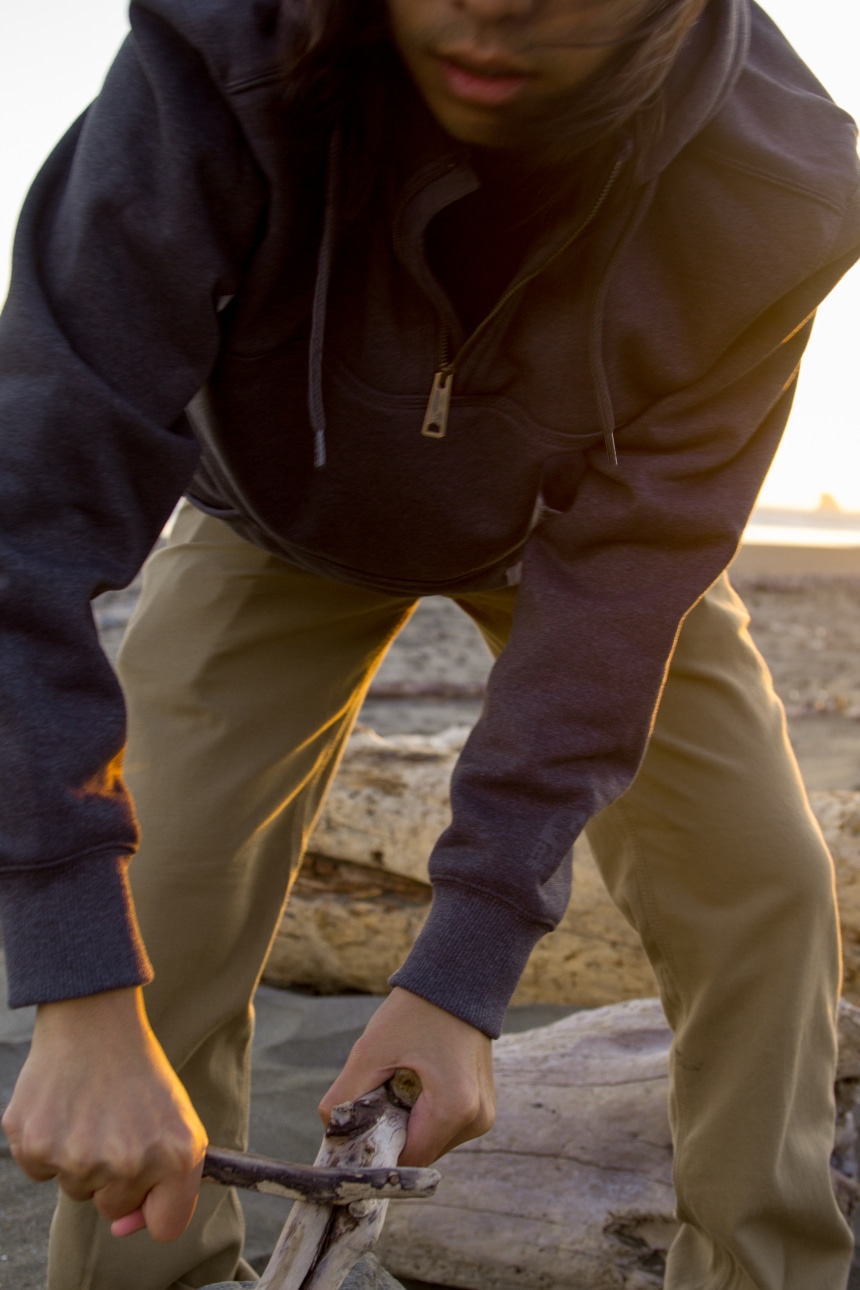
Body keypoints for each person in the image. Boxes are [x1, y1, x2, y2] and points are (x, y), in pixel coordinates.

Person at [1, 0, 859, 1285]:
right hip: (268, 520)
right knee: (161, 891)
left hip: (577, 543)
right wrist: (76, 987)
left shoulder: (780, 178)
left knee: (765, 894)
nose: (491, 10)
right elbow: (28, 525)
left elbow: (627, 578)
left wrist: (463, 972)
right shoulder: (221, 55)